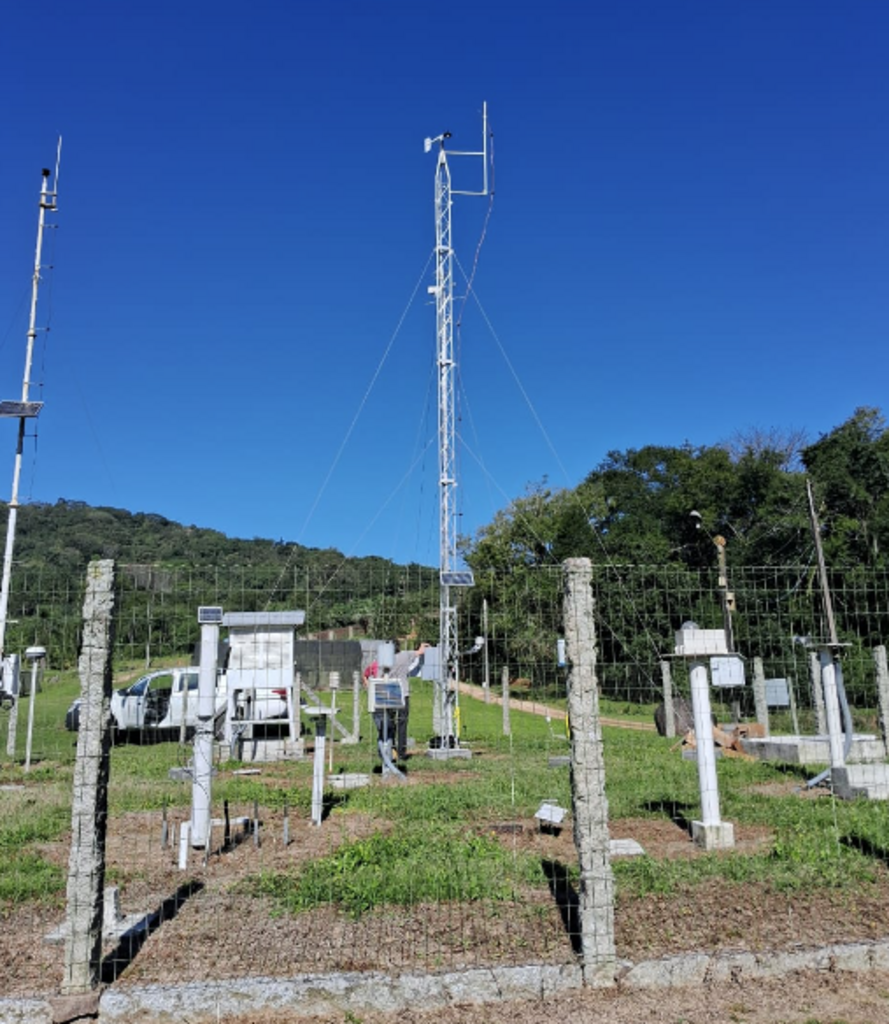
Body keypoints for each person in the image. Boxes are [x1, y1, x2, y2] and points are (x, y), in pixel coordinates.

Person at [389, 640, 428, 760]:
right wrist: (422, 646)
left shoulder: (385, 659)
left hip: (389, 693)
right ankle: (402, 752)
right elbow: (419, 652)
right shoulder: (405, 655)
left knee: (390, 723)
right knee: (402, 723)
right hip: (403, 693)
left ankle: (390, 748)